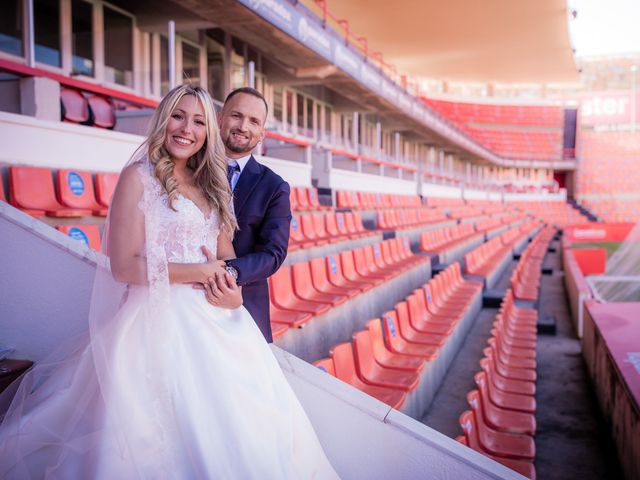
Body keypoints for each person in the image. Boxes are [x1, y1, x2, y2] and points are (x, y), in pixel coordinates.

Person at [0, 84, 338, 479]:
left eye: (197, 121)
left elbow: (226, 256)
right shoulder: (137, 178)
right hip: (156, 318)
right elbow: (124, 267)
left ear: (208, 130)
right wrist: (202, 272)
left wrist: (231, 293)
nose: (186, 128)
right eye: (178, 116)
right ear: (163, 120)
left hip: (218, 318)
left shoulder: (212, 186)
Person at [202, 87, 291, 343]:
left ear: (262, 133)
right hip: (185, 296)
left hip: (244, 305)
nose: (243, 126)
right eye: (236, 116)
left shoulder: (275, 187)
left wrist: (228, 272)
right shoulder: (189, 167)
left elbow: (273, 254)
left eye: (254, 121)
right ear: (219, 118)